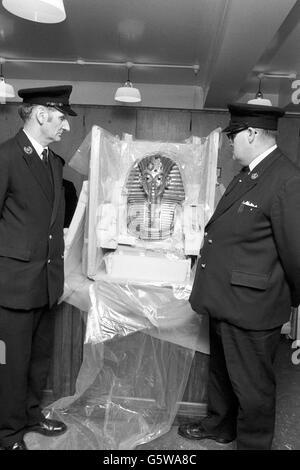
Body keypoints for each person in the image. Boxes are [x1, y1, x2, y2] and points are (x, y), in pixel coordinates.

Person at [178, 102, 300, 450]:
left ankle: (254, 444)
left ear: (252, 133)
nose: (231, 144)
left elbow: (296, 254)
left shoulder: (287, 179)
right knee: (221, 373)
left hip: (253, 304)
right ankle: (220, 426)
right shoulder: (250, 173)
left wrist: (287, 300)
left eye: (234, 136)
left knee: (253, 387)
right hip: (226, 299)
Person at [0, 85, 77, 450]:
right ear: (41, 114)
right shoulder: (6, 157)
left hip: (45, 281)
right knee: (9, 365)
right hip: (11, 284)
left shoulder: (54, 163)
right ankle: (7, 433)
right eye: (61, 117)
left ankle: (30, 415)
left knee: (37, 359)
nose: (65, 125)